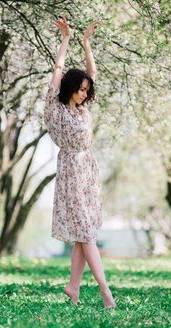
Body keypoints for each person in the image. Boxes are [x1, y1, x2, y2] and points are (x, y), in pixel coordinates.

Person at [44, 16, 116, 309]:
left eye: (87, 90)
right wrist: (66, 40)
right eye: (81, 88)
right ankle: (105, 293)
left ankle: (73, 287)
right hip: (71, 171)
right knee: (86, 233)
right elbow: (58, 69)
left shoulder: (83, 109)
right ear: (70, 87)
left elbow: (93, 73)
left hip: (88, 171)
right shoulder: (55, 106)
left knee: (83, 234)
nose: (86, 93)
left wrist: (87, 44)